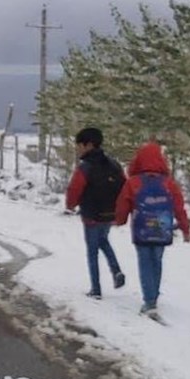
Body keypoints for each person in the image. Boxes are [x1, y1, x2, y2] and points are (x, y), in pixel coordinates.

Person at [115, 141, 190, 317]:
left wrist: (120, 220)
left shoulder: (133, 183)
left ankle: (149, 301)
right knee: (157, 261)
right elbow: (179, 208)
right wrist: (185, 229)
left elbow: (122, 204)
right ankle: (154, 296)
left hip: (142, 230)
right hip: (162, 230)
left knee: (144, 262)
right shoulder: (169, 184)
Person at [66, 127, 127, 300]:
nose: (78, 149)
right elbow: (125, 186)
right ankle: (116, 271)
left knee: (92, 250)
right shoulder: (114, 164)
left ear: (88, 145)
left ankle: (96, 288)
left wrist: (70, 205)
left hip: (91, 214)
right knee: (103, 241)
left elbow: (75, 189)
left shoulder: (85, 167)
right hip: (109, 213)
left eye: (80, 145)